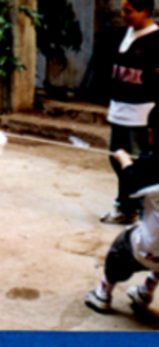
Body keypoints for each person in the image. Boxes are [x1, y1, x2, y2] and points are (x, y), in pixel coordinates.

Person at [85, 108, 159, 314]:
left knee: (121, 246)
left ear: (151, 135)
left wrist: (123, 158)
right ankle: (146, 291)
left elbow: (130, 183)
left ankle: (103, 294)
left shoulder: (149, 164)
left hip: (145, 249)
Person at [101, 0, 159, 225]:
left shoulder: (156, 40)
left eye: (129, 11)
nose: (124, 15)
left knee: (137, 164)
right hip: (119, 109)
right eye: (123, 10)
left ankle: (134, 209)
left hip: (141, 113)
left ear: (145, 11)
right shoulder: (125, 34)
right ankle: (127, 204)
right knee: (116, 157)